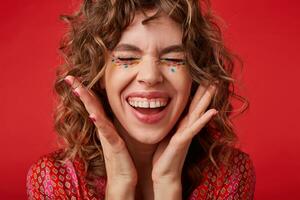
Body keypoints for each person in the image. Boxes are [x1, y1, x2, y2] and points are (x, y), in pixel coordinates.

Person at [26, 0, 256, 199]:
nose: (150, 77)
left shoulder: (229, 173)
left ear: (195, 77)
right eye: (126, 57)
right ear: (98, 74)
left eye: (174, 59)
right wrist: (120, 187)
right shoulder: (54, 179)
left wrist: (168, 184)